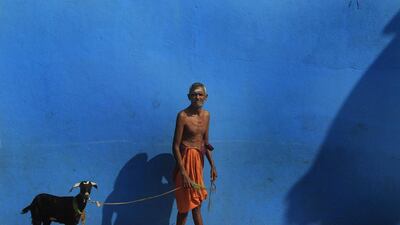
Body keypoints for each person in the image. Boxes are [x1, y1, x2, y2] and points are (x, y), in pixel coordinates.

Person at [172, 82, 217, 225]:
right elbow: (175, 146)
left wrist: (212, 166)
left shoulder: (207, 115)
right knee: (184, 209)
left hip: (198, 163)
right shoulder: (183, 116)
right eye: (193, 94)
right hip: (184, 163)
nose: (197, 97)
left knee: (197, 207)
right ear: (188, 97)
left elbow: (205, 142)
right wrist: (183, 173)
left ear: (206, 97)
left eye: (200, 94)